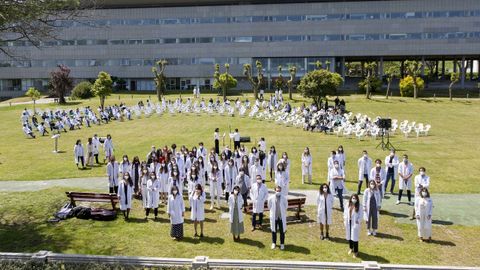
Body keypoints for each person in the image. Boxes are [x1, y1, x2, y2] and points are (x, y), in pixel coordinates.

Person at [268, 185, 288, 250]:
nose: (278, 192)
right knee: (274, 230)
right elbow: (269, 206)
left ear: (281, 191)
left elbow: (286, 206)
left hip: (281, 217)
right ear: (275, 190)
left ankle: (282, 243)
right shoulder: (271, 198)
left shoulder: (284, 198)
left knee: (282, 231)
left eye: (279, 191)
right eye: (277, 190)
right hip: (274, 217)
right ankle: (274, 243)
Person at [344, 194, 362, 258]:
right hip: (349, 222)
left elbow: (360, 215)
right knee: (349, 237)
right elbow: (345, 213)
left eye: (355, 198)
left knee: (355, 238)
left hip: (355, 223)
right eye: (353, 198)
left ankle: (356, 252)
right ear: (351, 198)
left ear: (357, 199)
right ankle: (351, 248)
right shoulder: (348, 205)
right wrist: (345, 220)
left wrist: (358, 221)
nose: (354, 199)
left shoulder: (359, 206)